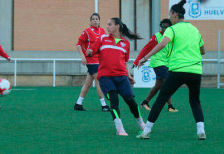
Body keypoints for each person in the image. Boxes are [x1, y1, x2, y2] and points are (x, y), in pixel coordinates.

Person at [137, 0, 206, 140]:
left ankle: (146, 131)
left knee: (161, 99)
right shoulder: (194, 29)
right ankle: (201, 131)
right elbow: (202, 50)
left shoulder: (172, 29)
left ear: (175, 14)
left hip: (178, 70)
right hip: (195, 71)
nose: (170, 17)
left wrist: (145, 57)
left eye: (170, 14)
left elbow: (163, 43)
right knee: (195, 101)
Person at [87, 17, 145, 136]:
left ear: (117, 26)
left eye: (110, 24)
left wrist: (128, 76)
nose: (107, 27)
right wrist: (88, 52)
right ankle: (119, 127)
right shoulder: (102, 38)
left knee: (130, 100)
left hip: (121, 77)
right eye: (107, 25)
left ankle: (141, 123)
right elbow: (91, 51)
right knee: (114, 101)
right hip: (105, 77)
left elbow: (123, 62)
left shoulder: (126, 44)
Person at [134, 19, 178, 112]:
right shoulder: (157, 37)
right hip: (158, 63)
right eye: (163, 27)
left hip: (167, 63)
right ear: (161, 27)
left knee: (158, 86)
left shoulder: (171, 37)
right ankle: (170, 106)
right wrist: (137, 60)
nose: (165, 28)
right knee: (167, 83)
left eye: (167, 27)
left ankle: (145, 102)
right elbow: (146, 49)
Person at [74, 13, 110, 111]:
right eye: (93, 19)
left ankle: (78, 104)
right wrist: (83, 56)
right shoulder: (87, 31)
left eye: (96, 19)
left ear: (99, 21)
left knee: (88, 83)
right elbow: (78, 44)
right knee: (99, 82)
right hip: (91, 61)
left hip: (99, 60)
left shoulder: (102, 31)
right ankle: (104, 106)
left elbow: (104, 43)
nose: (95, 20)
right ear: (90, 21)